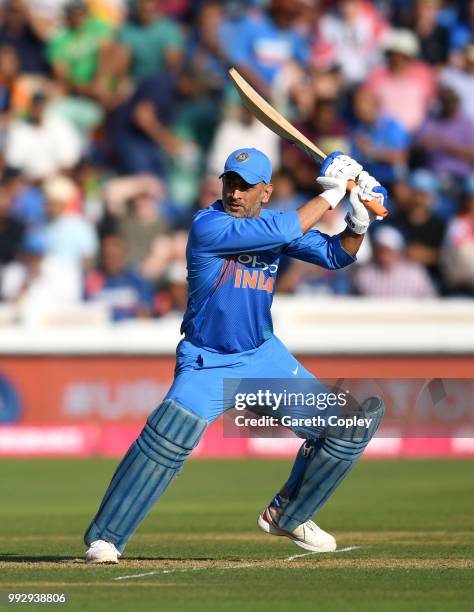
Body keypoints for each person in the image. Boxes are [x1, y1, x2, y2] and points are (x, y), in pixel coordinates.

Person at [83, 149, 386, 564]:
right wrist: (333, 192)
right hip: (208, 359)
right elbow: (290, 224)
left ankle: (288, 513)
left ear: (266, 191)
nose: (235, 193)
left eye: (245, 186)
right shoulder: (209, 224)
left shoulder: (274, 226)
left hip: (263, 357)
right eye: (230, 183)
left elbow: (337, 255)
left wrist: (359, 218)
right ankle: (107, 538)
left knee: (346, 428)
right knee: (168, 435)